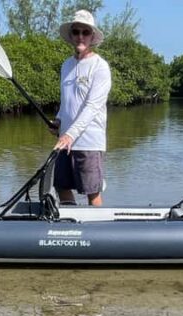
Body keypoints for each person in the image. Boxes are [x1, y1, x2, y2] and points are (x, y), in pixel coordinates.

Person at [51, 10, 111, 207]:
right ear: (71, 35)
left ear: (92, 37)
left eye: (85, 32)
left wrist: (70, 135)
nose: (80, 36)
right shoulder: (65, 66)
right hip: (65, 140)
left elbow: (92, 106)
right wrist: (58, 120)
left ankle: (96, 226)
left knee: (92, 191)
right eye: (76, 32)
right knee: (61, 186)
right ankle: (71, 222)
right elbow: (66, 101)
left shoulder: (100, 67)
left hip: (89, 141)